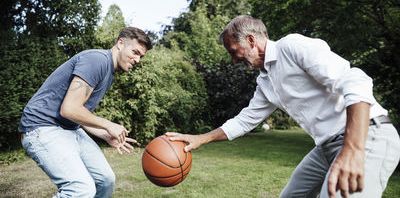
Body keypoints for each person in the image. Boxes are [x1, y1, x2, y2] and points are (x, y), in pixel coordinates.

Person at [166, 15, 400, 198]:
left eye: (234, 52)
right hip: (327, 146)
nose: (234, 60)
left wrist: (353, 150)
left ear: (250, 40)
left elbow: (356, 80)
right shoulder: (265, 80)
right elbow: (243, 121)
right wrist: (200, 138)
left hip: (369, 136)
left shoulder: (292, 46)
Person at [18, 27, 152, 198]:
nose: (138, 60)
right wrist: (109, 125)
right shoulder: (97, 60)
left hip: (69, 129)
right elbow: (69, 109)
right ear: (120, 44)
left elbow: (78, 115)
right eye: (135, 52)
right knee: (81, 189)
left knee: (106, 181)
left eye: (141, 56)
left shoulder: (109, 72)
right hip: (41, 127)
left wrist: (105, 134)